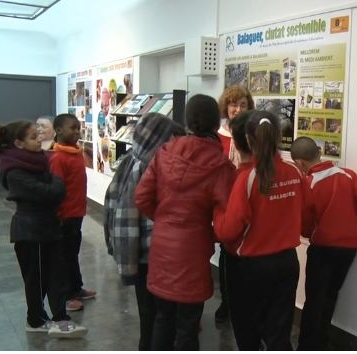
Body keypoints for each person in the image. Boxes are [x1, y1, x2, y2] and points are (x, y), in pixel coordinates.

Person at [135, 94, 235, 350]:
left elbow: (142, 197)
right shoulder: (220, 164)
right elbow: (228, 215)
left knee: (162, 317)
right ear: (216, 124)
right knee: (188, 324)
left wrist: (167, 221)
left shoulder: (165, 152)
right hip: (193, 249)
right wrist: (209, 234)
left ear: (187, 121)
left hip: (163, 246)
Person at [214, 110, 312, 350]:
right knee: (279, 333)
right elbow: (306, 217)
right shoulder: (295, 172)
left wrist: (217, 212)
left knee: (248, 334)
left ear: (247, 141)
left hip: (250, 268)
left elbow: (227, 231)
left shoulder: (247, 179)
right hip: (287, 264)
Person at [0, 120, 87, 338]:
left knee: (56, 275)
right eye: (34, 137)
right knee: (36, 280)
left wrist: (54, 185)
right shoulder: (13, 170)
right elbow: (51, 192)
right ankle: (35, 320)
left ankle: (60, 318)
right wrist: (55, 184)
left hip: (49, 227)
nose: (40, 139)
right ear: (18, 143)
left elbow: (55, 188)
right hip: (30, 231)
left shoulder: (39, 161)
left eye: (39, 134)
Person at [104, 113, 185, 350]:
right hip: (152, 255)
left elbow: (113, 211)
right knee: (161, 316)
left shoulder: (130, 161)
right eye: (169, 139)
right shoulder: (149, 168)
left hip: (140, 254)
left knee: (149, 314)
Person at [291, 136, 357, 350]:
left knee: (314, 299)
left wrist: (311, 230)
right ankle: (322, 341)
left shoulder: (309, 183)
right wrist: (346, 214)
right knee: (331, 295)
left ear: (300, 164)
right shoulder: (347, 174)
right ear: (318, 153)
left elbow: (306, 222)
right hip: (349, 247)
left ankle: (308, 346)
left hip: (323, 247)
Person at [215, 85, 254, 323]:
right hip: (227, 198)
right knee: (226, 252)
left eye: (242, 104)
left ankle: (244, 301)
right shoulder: (218, 134)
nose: (237, 109)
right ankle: (227, 301)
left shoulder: (254, 132)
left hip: (250, 194)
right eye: (232, 104)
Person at [50, 114, 96, 312]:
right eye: (72, 128)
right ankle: (67, 296)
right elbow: (56, 190)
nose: (77, 132)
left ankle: (76, 288)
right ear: (59, 131)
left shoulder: (76, 153)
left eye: (78, 128)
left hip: (76, 214)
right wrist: (58, 215)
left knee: (72, 254)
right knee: (64, 257)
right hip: (64, 216)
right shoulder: (58, 158)